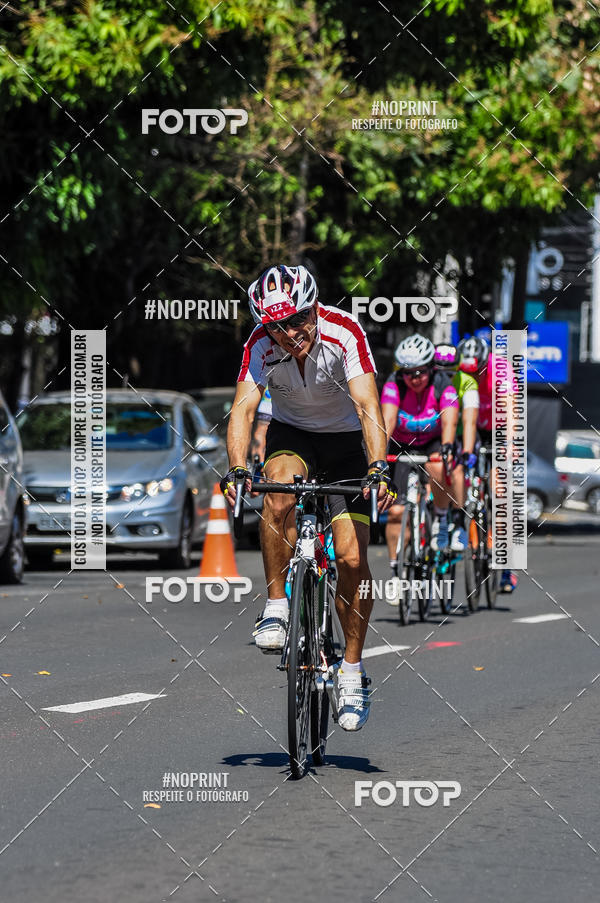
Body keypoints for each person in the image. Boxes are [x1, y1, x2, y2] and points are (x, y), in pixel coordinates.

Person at [221, 264, 397, 731]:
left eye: (298, 320)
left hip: (345, 445)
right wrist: (238, 468)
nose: (289, 333)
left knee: (352, 557)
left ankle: (353, 672)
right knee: (276, 493)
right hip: (293, 434)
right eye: (277, 325)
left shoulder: (345, 333)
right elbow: (243, 409)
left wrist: (378, 467)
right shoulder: (260, 344)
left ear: (314, 308)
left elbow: (367, 406)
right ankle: (277, 605)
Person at [381, 334, 459, 575]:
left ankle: (441, 519)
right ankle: (395, 569)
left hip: (432, 442)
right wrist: (379, 454)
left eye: (420, 372)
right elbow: (388, 421)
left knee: (438, 466)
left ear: (431, 368)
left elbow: (449, 422)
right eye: (408, 372)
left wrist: (447, 446)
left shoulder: (443, 384)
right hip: (402, 444)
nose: (414, 378)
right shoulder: (394, 384)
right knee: (395, 511)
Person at [457, 335, 518, 594]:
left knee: (501, 491)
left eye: (479, 372)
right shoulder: (460, 370)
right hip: (470, 427)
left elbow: (512, 410)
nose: (476, 378)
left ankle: (505, 566)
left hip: (499, 428)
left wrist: (511, 444)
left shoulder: (501, 369)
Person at [433, 344, 480, 551]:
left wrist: (468, 451)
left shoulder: (467, 383)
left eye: (451, 373)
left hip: (461, 433)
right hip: (435, 433)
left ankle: (459, 518)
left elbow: (470, 421)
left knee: (457, 469)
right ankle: (436, 515)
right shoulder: (429, 383)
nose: (445, 377)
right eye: (439, 372)